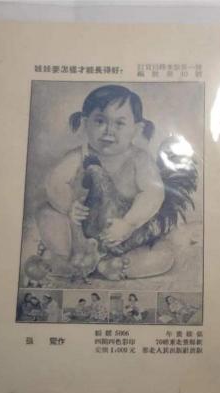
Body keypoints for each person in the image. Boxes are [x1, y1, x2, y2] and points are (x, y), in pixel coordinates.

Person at [35, 85, 175, 281]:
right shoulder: (79, 155)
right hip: (81, 236)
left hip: (127, 237)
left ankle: (111, 265)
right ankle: (69, 258)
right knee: (46, 213)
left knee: (164, 255)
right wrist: (68, 206)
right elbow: (55, 182)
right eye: (100, 121)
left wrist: (129, 223)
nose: (109, 131)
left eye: (119, 124)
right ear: (85, 123)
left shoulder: (139, 159)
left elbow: (153, 192)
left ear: (136, 129)